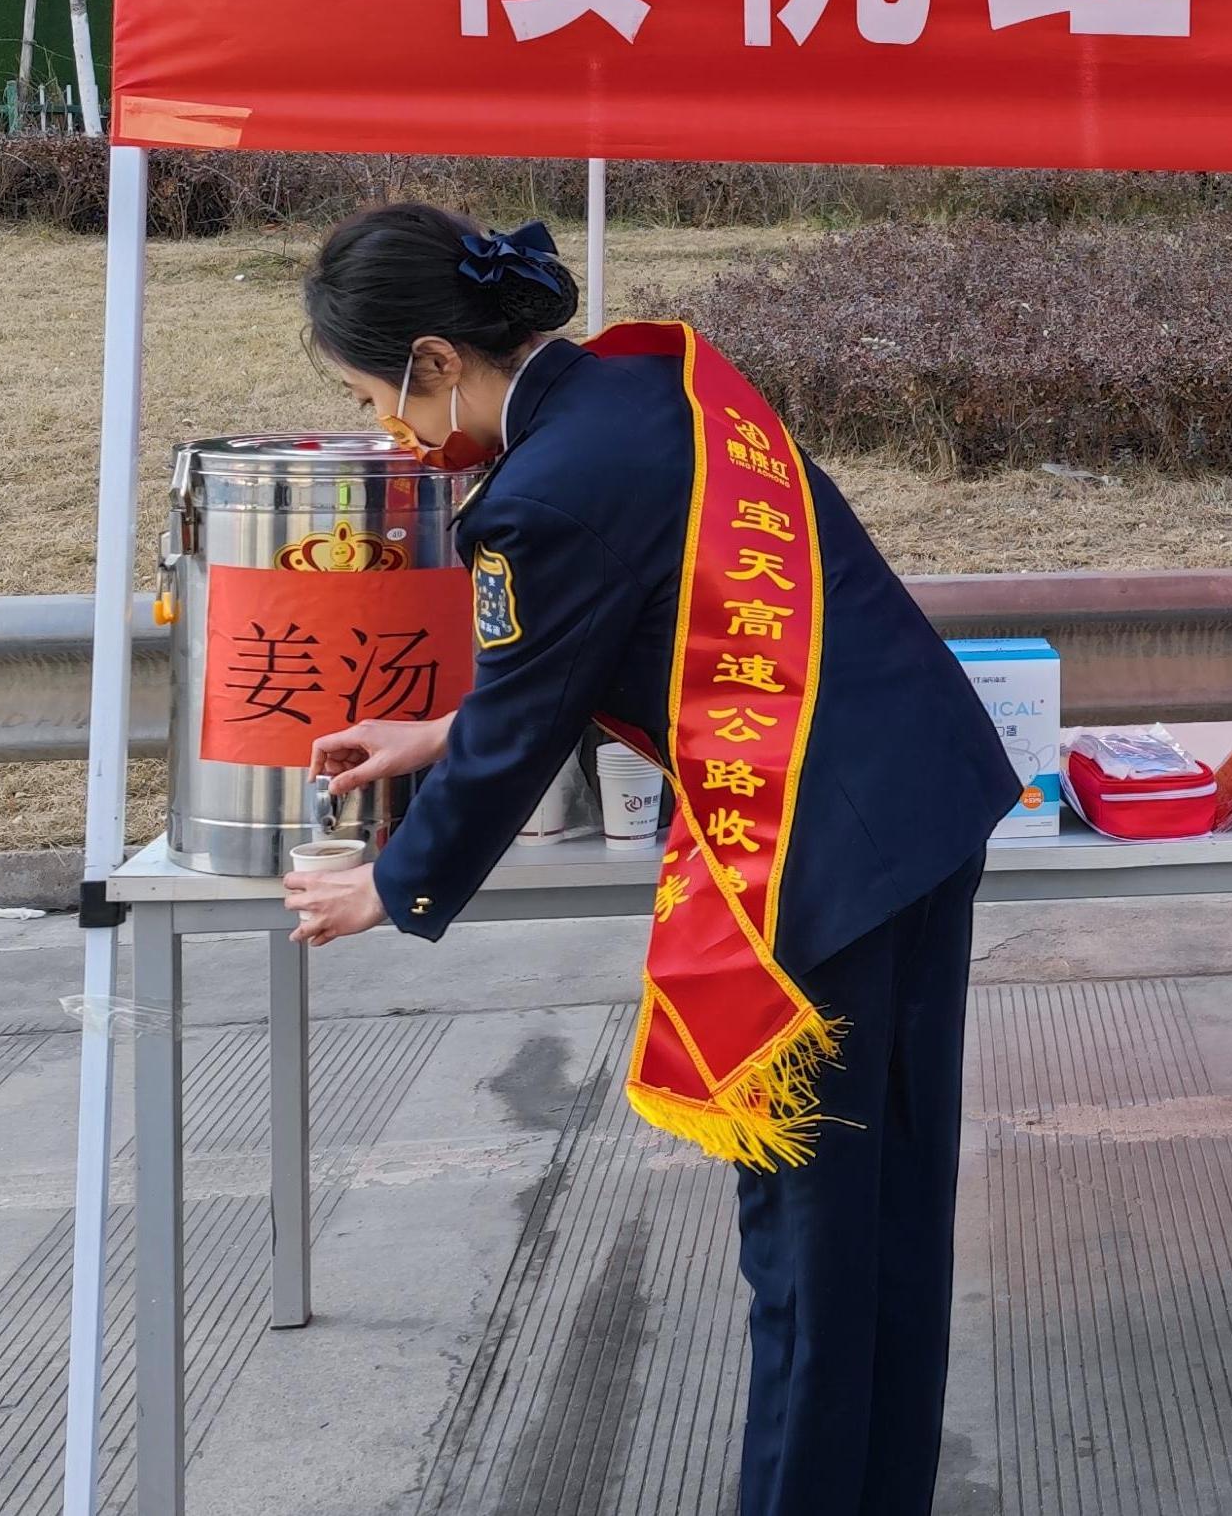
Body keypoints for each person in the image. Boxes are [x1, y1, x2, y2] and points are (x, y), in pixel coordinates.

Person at [276, 205, 1014, 1516]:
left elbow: (524, 724)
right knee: (891, 1218)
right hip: (918, 799)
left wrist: (388, 883)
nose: (391, 429)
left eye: (374, 397)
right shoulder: (653, 380)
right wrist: (440, 729)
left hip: (816, 861)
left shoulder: (538, 496)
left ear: (435, 360)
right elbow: (655, 619)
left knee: (808, 1258)